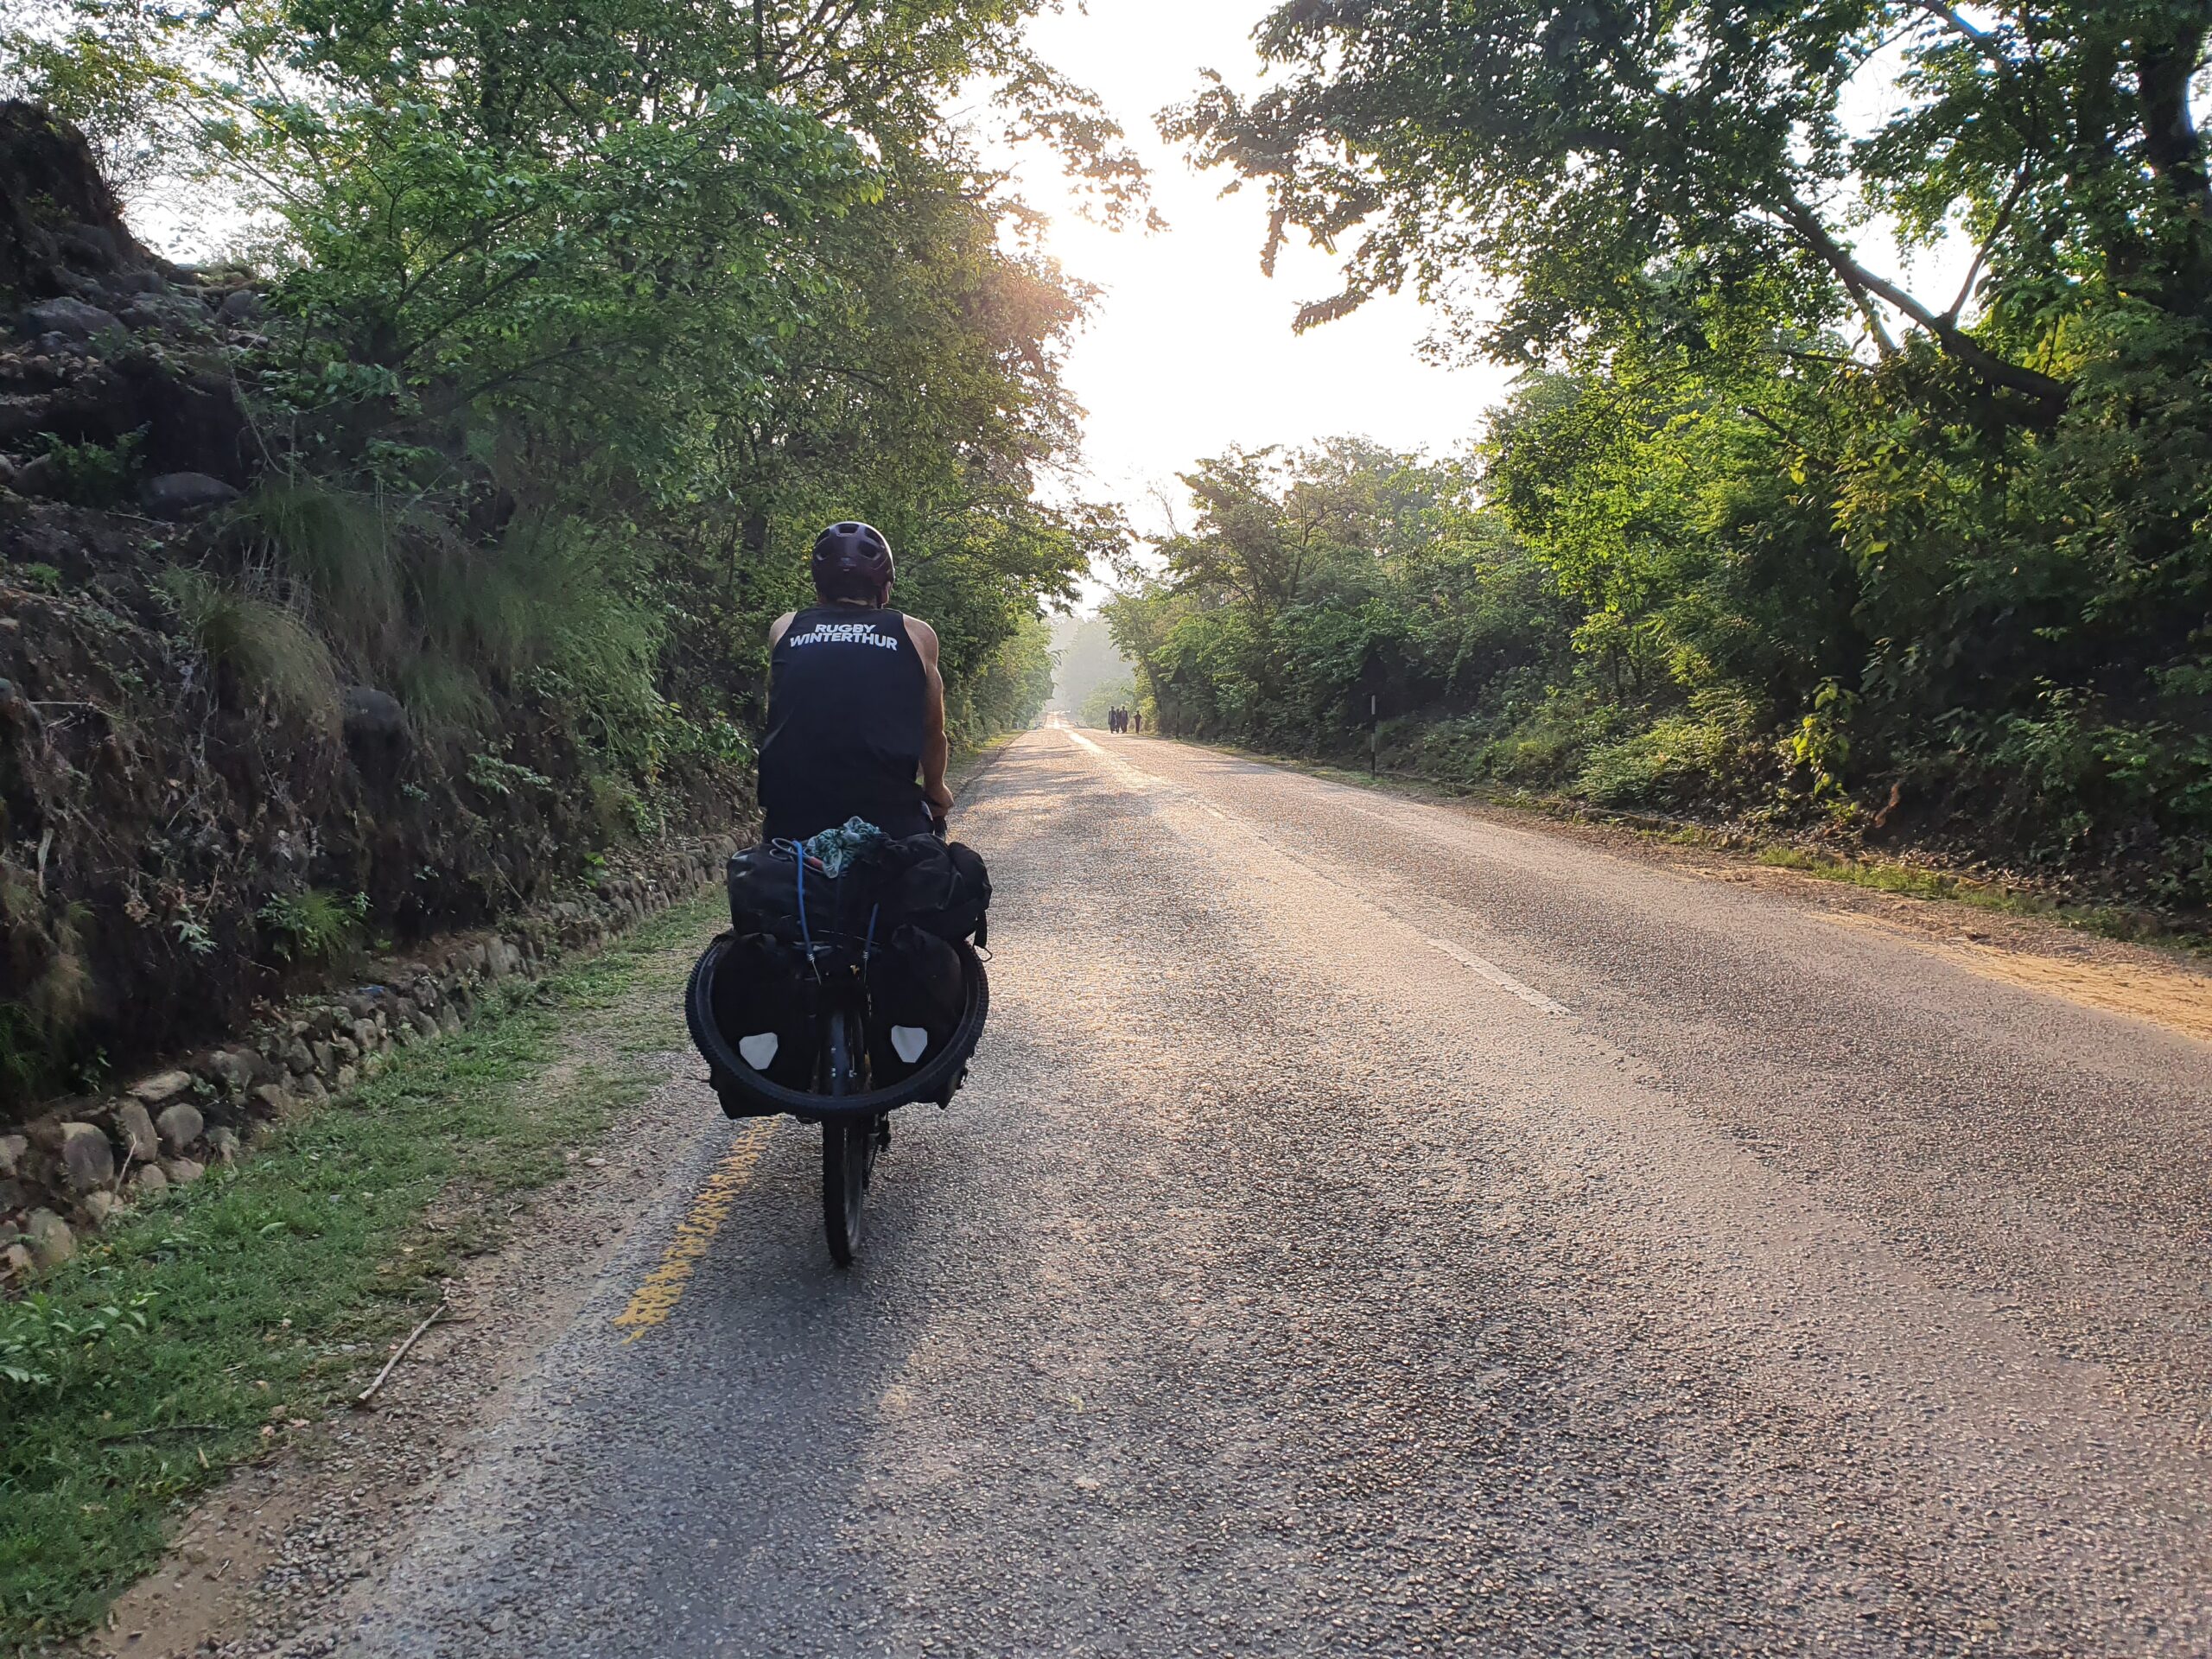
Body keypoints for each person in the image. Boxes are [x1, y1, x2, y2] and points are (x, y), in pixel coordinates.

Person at [756, 522, 951, 843]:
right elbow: (932, 733)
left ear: (819, 587)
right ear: (885, 586)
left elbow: (778, 710)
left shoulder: (785, 628)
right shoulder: (916, 635)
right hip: (890, 816)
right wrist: (937, 791)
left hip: (792, 818)